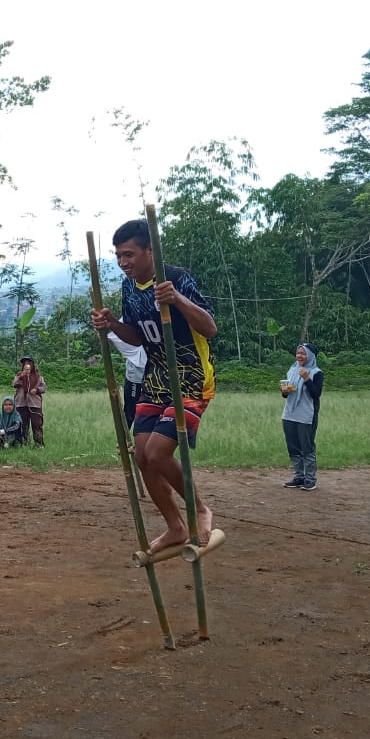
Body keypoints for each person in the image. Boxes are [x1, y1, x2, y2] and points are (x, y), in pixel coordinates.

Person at [91, 218, 217, 550]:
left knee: (158, 453)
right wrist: (112, 324)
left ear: (150, 250)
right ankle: (174, 525)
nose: (123, 263)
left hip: (190, 378)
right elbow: (137, 336)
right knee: (142, 456)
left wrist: (176, 299)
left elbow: (210, 327)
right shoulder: (128, 288)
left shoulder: (175, 278)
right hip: (155, 378)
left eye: (129, 254)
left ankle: (200, 510)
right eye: (118, 256)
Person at [280, 343, 324, 490]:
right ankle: (299, 477)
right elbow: (286, 395)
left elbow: (316, 394)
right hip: (289, 414)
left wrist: (306, 379)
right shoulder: (292, 370)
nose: (299, 356)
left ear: (310, 356)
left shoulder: (317, 373)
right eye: (298, 353)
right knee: (293, 447)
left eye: (303, 354)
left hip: (306, 415)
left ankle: (310, 479)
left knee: (307, 446)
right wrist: (285, 391)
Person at [109, 333, 148, 429]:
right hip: (135, 376)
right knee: (130, 411)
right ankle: (124, 441)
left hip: (154, 373)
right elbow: (111, 337)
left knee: (150, 411)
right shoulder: (130, 320)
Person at [12, 355, 46, 445]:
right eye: (24, 363)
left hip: (34, 403)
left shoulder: (38, 376)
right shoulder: (19, 375)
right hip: (21, 403)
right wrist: (21, 378)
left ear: (32, 364)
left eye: (28, 363)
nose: (26, 365)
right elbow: (13, 384)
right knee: (23, 425)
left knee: (37, 424)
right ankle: (24, 443)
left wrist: (37, 390)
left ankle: (39, 444)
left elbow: (44, 388)